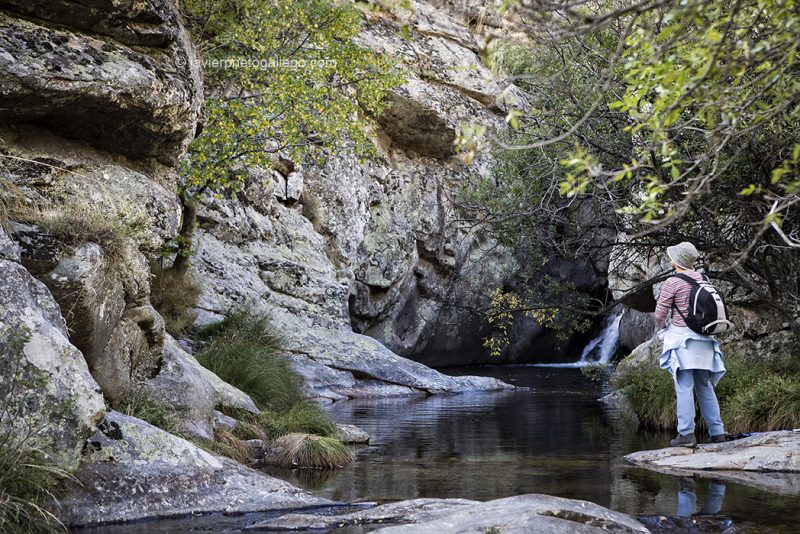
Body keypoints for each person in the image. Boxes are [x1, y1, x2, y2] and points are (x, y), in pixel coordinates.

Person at [654, 242, 726, 447]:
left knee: (684, 387)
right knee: (705, 386)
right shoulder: (704, 278)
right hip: (705, 342)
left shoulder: (672, 282)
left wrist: (662, 327)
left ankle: (686, 434)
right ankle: (717, 432)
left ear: (676, 261)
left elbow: (660, 314)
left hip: (683, 342)